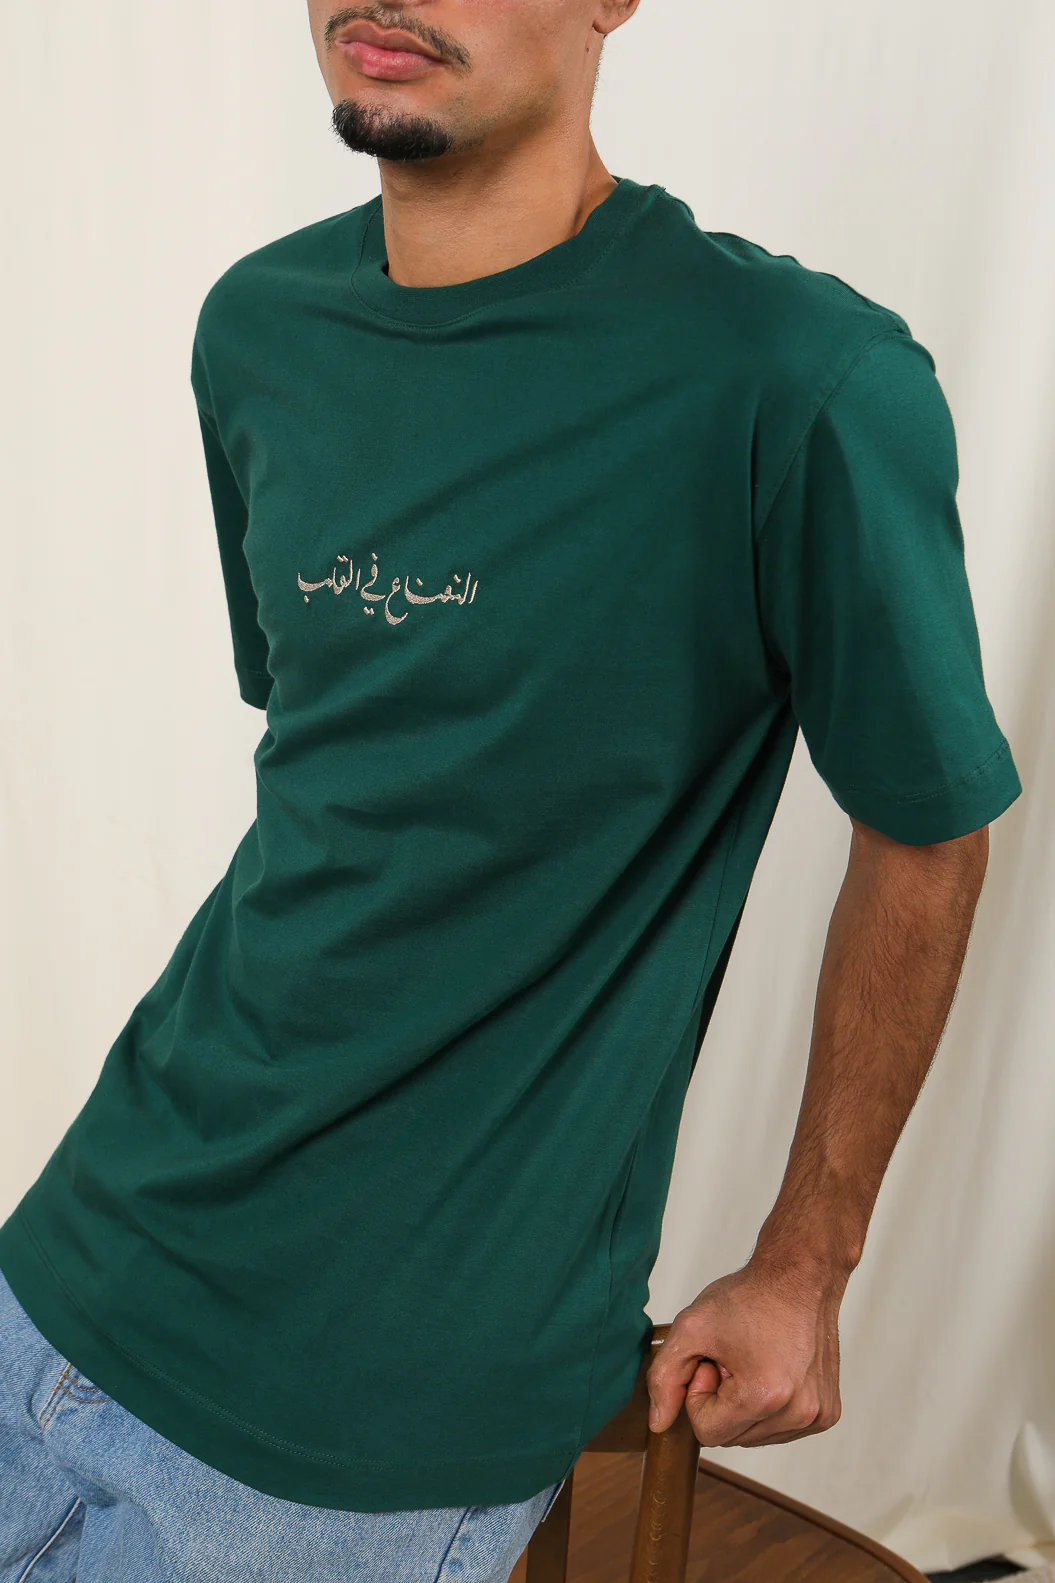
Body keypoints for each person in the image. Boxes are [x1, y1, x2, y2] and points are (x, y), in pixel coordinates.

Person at [0, 1, 1023, 1579]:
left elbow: (927, 834)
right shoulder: (257, 327)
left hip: (381, 1398)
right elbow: (347, 773)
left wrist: (805, 1258)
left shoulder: (795, 377)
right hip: (78, 1253)